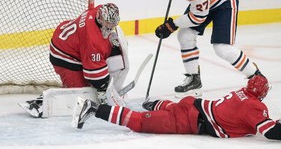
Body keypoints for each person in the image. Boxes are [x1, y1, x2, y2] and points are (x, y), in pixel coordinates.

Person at [154, 0, 263, 96]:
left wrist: (171, 25)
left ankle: (256, 76)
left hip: (224, 1)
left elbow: (197, 18)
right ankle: (194, 78)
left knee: (222, 48)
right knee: (185, 36)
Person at [76, 75, 281, 140]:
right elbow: (270, 131)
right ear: (262, 92)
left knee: (172, 108)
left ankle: (155, 104)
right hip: (191, 120)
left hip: (192, 104)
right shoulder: (255, 107)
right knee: (138, 122)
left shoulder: (242, 92)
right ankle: (95, 109)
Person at [20, 3, 129, 117]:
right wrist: (104, 89)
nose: (110, 26)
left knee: (91, 83)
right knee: (79, 94)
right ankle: (41, 103)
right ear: (100, 18)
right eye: (108, 23)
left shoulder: (98, 11)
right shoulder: (92, 39)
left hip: (70, 41)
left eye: (113, 23)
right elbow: (95, 76)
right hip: (64, 55)